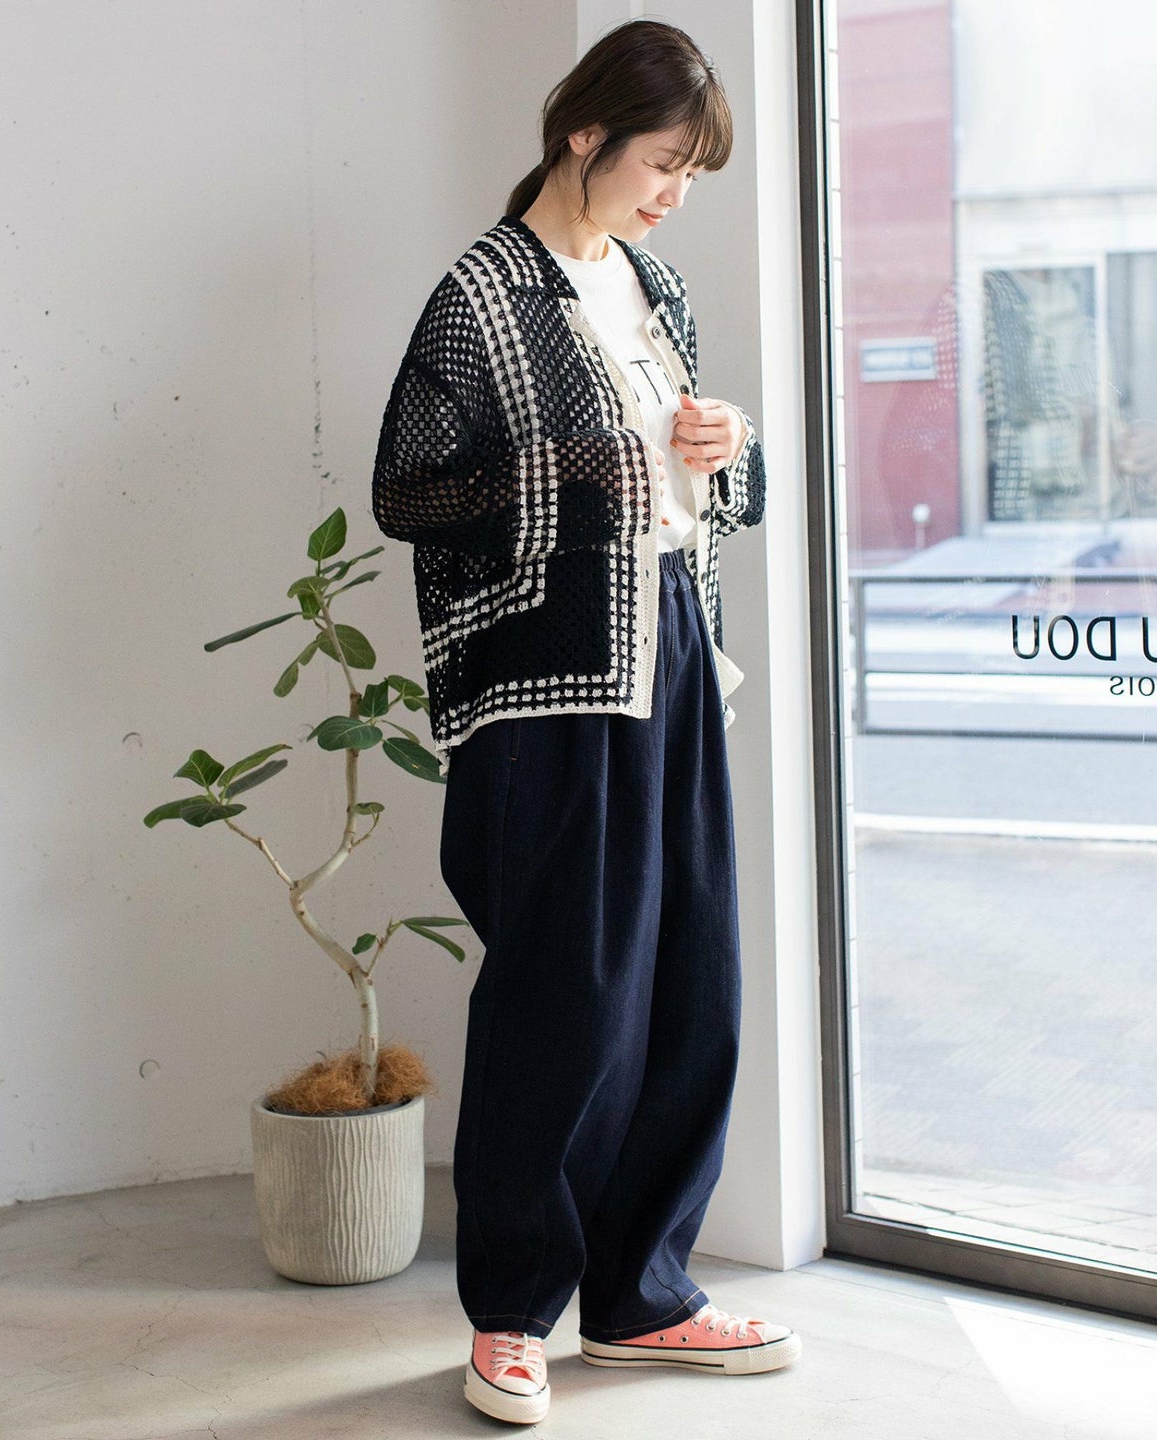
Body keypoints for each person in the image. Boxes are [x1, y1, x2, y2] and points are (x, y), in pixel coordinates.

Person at [371, 18, 800, 1426]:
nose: (675, 195)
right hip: (550, 683)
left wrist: (721, 450)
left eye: (692, 174)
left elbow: (686, 493)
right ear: (586, 135)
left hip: (671, 648)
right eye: (665, 163)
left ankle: (640, 1296)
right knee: (566, 996)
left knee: (691, 980)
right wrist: (573, 467)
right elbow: (408, 490)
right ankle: (512, 1312)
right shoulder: (482, 293)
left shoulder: (654, 287)